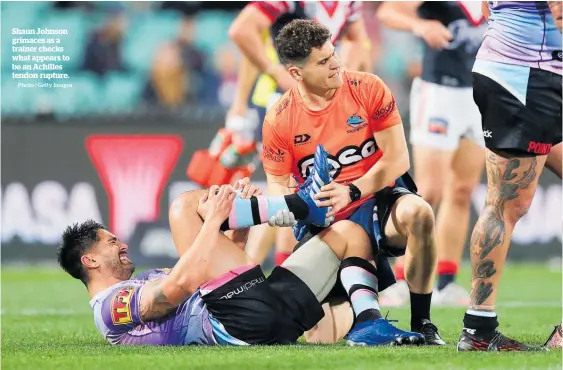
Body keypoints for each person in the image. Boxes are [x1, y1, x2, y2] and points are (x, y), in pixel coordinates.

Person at [58, 166, 424, 346]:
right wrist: (216, 218)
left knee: (348, 233)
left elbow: (233, 275)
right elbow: (180, 287)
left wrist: (238, 225)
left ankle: (369, 323)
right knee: (184, 207)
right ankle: (300, 205)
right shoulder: (110, 305)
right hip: (236, 326)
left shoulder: (143, 277)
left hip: (261, 315)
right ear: (89, 261)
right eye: (110, 243)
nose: (121, 244)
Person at [261, 19, 445, 345]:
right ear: (296, 73)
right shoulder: (279, 117)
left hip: (377, 200)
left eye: (334, 53)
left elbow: (398, 159)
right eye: (323, 61)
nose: (336, 64)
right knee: (324, 339)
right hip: (328, 225)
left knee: (420, 213)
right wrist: (285, 208)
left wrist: (353, 189)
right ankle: (360, 312)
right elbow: (276, 184)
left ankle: (423, 322)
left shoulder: (368, 88)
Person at [187, 1, 372, 267]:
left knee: (296, 193)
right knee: (292, 191)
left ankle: (250, 270)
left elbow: (359, 41)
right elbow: (244, 34)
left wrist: (347, 82)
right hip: (281, 99)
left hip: (315, 100)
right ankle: (256, 271)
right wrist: (251, 93)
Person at [456, 1, 562, 351]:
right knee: (507, 204)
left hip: (516, 69)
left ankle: (479, 330)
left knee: (504, 202)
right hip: (526, 76)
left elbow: (488, 8)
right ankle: (478, 330)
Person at [375, 1, 487, 307]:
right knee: (429, 191)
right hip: (438, 92)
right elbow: (387, 11)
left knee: (462, 191)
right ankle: (398, 279)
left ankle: (447, 281)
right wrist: (420, 25)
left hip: (479, 92)